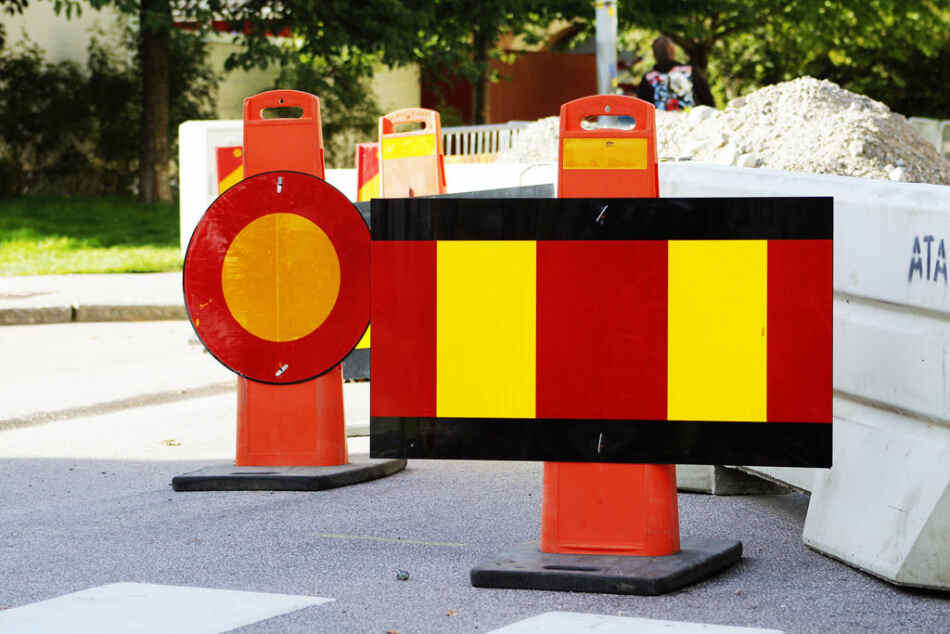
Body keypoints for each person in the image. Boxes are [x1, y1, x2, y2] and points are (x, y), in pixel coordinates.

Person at [636, 36, 715, 111]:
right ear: (673, 51)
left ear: (654, 54)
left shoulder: (648, 79)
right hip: (690, 119)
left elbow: (641, 109)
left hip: (661, 120)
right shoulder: (689, 72)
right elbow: (708, 101)